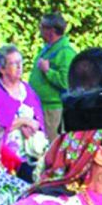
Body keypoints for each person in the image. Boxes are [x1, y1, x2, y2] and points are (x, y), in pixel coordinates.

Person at [0, 44, 45, 139]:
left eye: (21, 62)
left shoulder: (28, 90)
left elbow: (39, 121)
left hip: (32, 149)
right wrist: (22, 121)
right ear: (1, 68)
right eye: (14, 63)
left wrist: (33, 126)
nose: (19, 67)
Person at [28, 12, 75, 141]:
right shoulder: (47, 48)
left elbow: (66, 82)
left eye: (42, 26)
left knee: (52, 144)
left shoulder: (65, 52)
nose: (39, 30)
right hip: (39, 106)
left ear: (51, 31)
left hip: (53, 109)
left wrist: (48, 71)